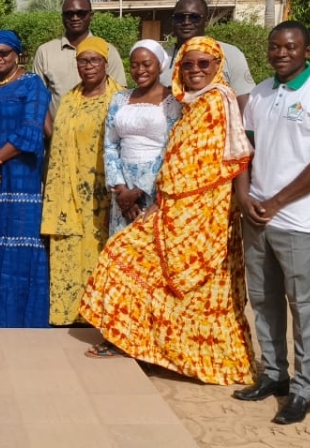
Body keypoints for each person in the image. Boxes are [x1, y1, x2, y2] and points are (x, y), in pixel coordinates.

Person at [78, 36, 256, 388]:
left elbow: (217, 163)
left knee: (131, 258)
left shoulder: (217, 102)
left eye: (204, 64)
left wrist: (154, 196)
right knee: (135, 262)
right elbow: (117, 145)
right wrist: (128, 189)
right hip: (171, 202)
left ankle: (177, 351)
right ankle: (146, 344)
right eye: (188, 64)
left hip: (198, 212)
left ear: (218, 66)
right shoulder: (193, 102)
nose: (194, 71)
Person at [233, 21, 310, 425]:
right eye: (275, 46)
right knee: (263, 301)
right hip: (257, 218)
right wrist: (245, 196)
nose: (281, 53)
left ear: (307, 51)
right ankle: (275, 375)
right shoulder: (260, 95)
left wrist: (277, 201)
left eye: (290, 46)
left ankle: (303, 390)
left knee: (305, 307)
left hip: (297, 220)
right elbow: (243, 152)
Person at [0, 30, 51, 328]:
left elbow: (30, 131)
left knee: (18, 241)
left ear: (18, 54)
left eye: (4, 53)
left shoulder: (32, 86)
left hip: (19, 177)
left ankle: (17, 316)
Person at [40, 36, 119, 326]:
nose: (88, 67)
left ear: (105, 63)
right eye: (82, 61)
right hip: (67, 191)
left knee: (99, 252)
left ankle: (96, 314)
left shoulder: (118, 98)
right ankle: (67, 314)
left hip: (103, 194)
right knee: (68, 250)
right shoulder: (69, 99)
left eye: (94, 60)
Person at [105, 40, 182, 234]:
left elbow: (172, 147)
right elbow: (110, 144)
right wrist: (122, 190)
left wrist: (138, 190)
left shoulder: (173, 101)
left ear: (160, 65)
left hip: (156, 187)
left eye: (147, 64)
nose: (140, 70)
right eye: (134, 65)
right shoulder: (119, 99)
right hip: (122, 190)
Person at [32, 0, 127, 117]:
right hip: (56, 133)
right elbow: (37, 99)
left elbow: (120, 96)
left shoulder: (108, 50)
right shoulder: (45, 52)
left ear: (91, 16)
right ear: (62, 17)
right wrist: (52, 134)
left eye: (81, 13)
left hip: (99, 133)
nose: (75, 18)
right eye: (69, 14)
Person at [160, 0, 255, 107]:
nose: (186, 22)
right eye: (179, 17)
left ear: (206, 21)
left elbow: (245, 104)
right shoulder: (160, 59)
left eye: (194, 17)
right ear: (173, 21)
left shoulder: (230, 54)